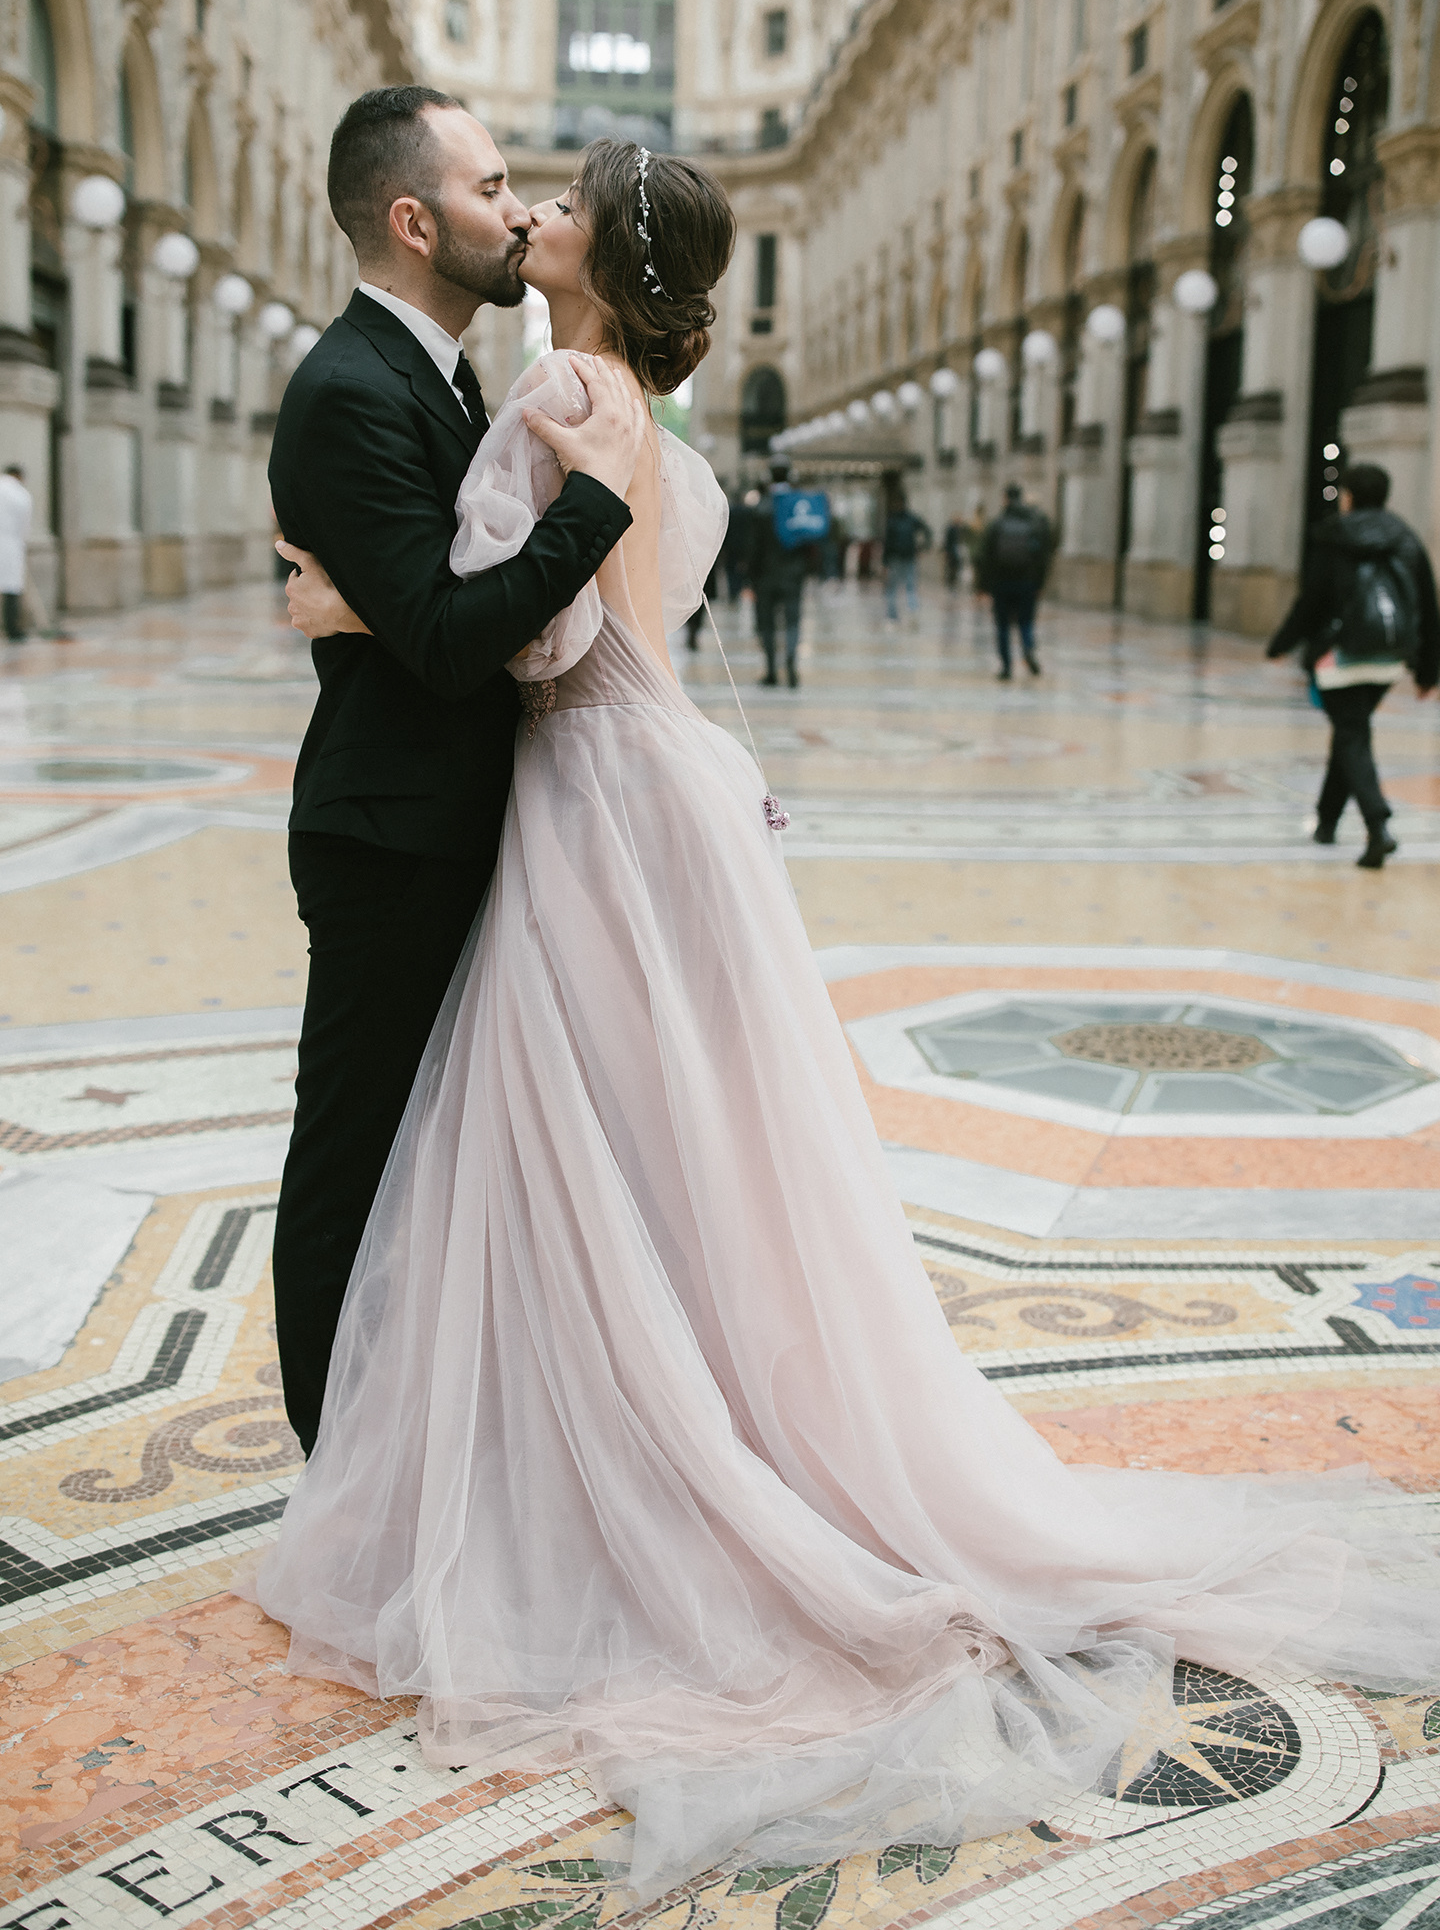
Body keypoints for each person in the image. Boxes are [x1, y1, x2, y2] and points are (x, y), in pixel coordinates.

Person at [259, 135, 1438, 1907]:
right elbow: (658, 619)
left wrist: (354, 594)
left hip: (589, 812)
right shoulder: (694, 449)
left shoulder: (553, 396)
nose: (531, 213)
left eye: (555, 200)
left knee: (573, 1143)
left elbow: (524, 651)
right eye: (521, 189)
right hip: (684, 805)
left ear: (597, 255)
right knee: (684, 1156)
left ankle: (557, 1473)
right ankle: (698, 1433)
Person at [266, 86, 644, 1455]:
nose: (518, 205)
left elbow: (424, 592)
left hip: (460, 816)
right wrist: (594, 503)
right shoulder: (351, 388)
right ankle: (336, 1465)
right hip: (391, 836)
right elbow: (442, 637)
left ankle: (420, 1445)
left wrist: (362, 603)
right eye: (492, 187)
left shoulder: (440, 370)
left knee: (440, 1150)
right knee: (356, 1155)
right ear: (415, 220)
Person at [1267, 461, 1438, 868]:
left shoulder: (1333, 537)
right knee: (1351, 731)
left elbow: (1311, 603)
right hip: (1389, 657)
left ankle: (1377, 826)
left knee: (1350, 733)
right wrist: (1427, 669)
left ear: (1349, 496)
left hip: (1339, 655)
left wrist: (1281, 644)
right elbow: (1429, 607)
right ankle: (1327, 822)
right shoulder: (1406, 538)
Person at [976, 482, 1052, 678]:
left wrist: (983, 586)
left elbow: (986, 558)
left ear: (1006, 499)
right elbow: (1043, 557)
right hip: (1027, 582)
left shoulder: (997, 524)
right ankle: (1027, 649)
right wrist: (1040, 583)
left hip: (1001, 583)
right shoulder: (1034, 524)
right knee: (1026, 622)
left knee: (1002, 625)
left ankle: (1006, 667)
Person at [749, 459, 808, 686]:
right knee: (792, 622)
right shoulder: (795, 506)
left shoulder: (761, 506)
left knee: (767, 625)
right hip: (793, 574)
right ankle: (792, 668)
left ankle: (772, 670)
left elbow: (753, 546)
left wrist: (750, 576)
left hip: (765, 576)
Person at [880, 471, 932, 622]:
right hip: (902, 557)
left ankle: (899, 614)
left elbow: (888, 542)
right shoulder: (907, 519)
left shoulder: (898, 520)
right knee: (905, 586)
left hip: (903, 557)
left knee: (898, 587)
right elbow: (888, 542)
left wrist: (923, 547)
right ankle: (901, 613)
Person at [0, 463, 32, 643]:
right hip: (10, 544)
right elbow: (25, 526)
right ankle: (13, 630)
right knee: (11, 589)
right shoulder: (21, 494)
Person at [942, 511, 966, 591]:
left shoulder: (959, 529)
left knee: (957, 567)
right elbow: (947, 541)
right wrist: (946, 552)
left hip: (957, 551)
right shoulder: (950, 529)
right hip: (951, 552)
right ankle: (950, 583)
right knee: (951, 568)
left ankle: (954, 582)